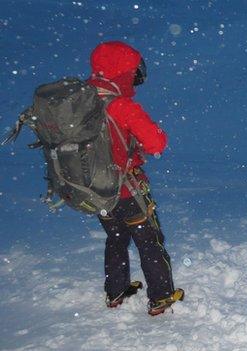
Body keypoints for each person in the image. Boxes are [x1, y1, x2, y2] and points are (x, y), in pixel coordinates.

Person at [87, 41, 182, 316]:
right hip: (126, 189)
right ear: (124, 71)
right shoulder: (122, 106)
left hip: (95, 189)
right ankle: (161, 297)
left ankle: (115, 292)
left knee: (115, 237)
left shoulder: (82, 102)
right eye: (134, 70)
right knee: (149, 240)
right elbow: (157, 143)